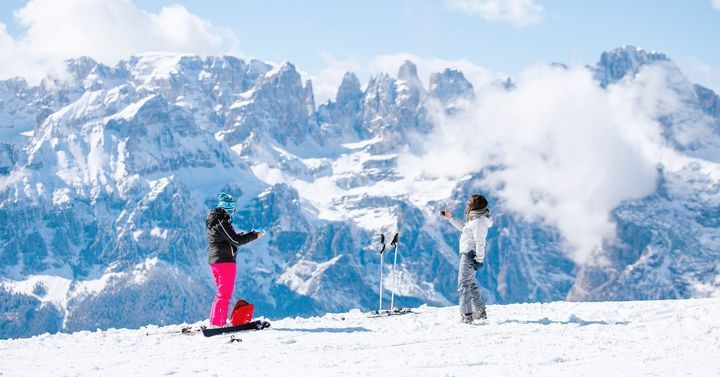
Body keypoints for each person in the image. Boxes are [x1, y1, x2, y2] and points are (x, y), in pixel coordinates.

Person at [206, 192, 264, 328]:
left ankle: (215, 321)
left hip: (217, 261)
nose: (233, 212)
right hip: (224, 261)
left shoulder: (215, 221)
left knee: (221, 293)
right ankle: (217, 324)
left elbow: (228, 238)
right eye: (231, 208)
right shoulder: (221, 222)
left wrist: (239, 236)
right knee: (224, 294)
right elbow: (236, 241)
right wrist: (254, 235)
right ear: (225, 208)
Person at [442, 194, 493, 323]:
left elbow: (480, 241)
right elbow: (465, 228)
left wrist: (479, 260)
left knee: (463, 285)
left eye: (469, 202)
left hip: (470, 254)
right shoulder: (475, 219)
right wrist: (451, 218)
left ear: (475, 205)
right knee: (470, 284)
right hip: (469, 253)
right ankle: (480, 312)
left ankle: (466, 315)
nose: (467, 204)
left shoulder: (479, 221)